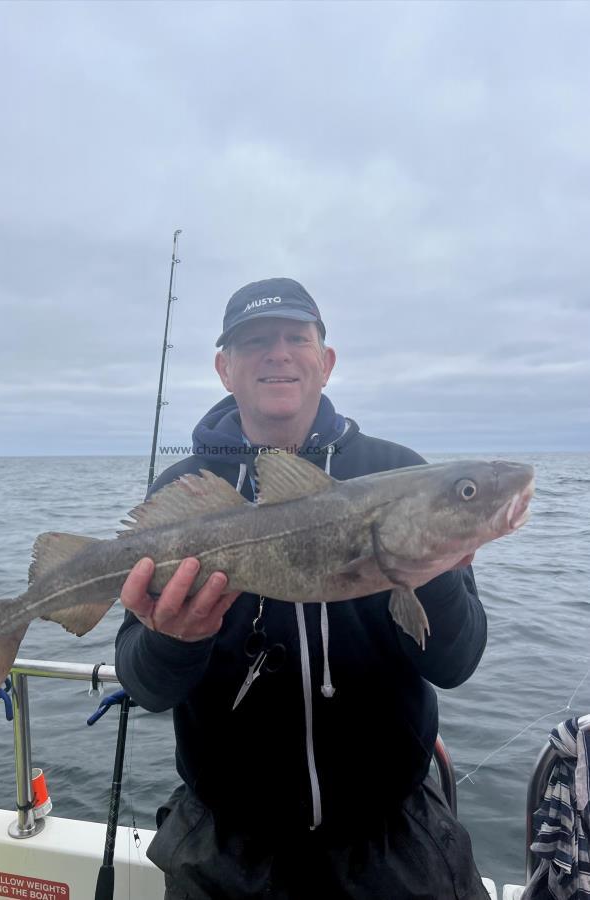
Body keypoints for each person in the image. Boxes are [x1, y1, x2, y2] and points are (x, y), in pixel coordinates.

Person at [115, 277, 490, 900]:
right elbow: (145, 684)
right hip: (226, 848)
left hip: (392, 839)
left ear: (327, 360)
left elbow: (455, 663)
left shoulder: (400, 476)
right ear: (224, 368)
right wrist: (173, 642)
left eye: (297, 337)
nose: (278, 353)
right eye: (255, 341)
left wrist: (438, 576)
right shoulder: (183, 494)